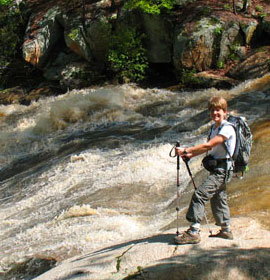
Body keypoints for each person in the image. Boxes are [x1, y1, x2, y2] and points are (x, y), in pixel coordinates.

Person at [174, 96, 236, 244]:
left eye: (218, 110)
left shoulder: (227, 128)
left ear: (225, 111)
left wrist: (185, 149)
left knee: (199, 195)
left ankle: (194, 232)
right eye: (213, 110)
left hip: (223, 170)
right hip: (219, 169)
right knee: (218, 197)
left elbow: (209, 146)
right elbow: (210, 148)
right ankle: (226, 230)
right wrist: (189, 154)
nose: (215, 113)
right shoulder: (214, 128)